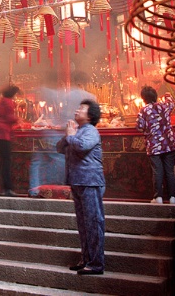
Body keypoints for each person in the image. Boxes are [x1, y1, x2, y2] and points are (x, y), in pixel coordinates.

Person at [56, 99, 105, 275]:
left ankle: (96, 263)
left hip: (90, 180)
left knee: (93, 222)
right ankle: (86, 259)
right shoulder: (78, 131)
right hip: (78, 181)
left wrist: (71, 135)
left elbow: (82, 146)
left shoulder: (91, 131)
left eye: (82, 108)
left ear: (90, 115)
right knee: (83, 223)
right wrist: (68, 134)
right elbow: (59, 148)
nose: (77, 110)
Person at [136, 86, 175, 204]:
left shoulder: (143, 110)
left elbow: (139, 127)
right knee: (170, 170)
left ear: (143, 98)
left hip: (154, 145)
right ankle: (173, 197)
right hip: (169, 143)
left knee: (157, 171)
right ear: (155, 96)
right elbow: (171, 102)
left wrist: (149, 131)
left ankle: (158, 197)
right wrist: (167, 94)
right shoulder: (164, 106)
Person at [0, 85, 20, 197]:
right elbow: (10, 118)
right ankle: (7, 188)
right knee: (6, 160)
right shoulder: (8, 102)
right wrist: (18, 120)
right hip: (2, 134)